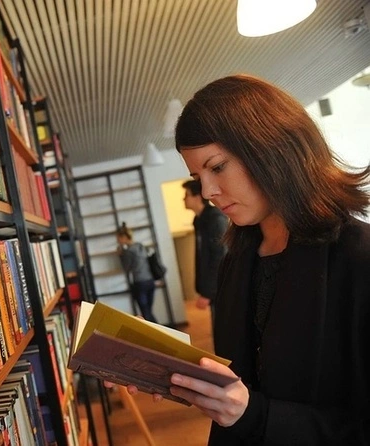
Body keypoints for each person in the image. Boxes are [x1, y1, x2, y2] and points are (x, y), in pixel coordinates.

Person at [109, 74, 370, 445]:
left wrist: (255, 415)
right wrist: (166, 364)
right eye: (197, 176)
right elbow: (245, 378)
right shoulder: (239, 259)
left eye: (217, 167)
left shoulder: (358, 258)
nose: (208, 191)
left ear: (272, 149)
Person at [182, 179, 228, 332]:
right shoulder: (198, 220)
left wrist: (208, 292)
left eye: (186, 195)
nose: (183, 199)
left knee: (224, 328)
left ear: (197, 197)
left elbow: (219, 257)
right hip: (215, 287)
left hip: (222, 286)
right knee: (218, 328)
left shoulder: (215, 219)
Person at [116, 222, 157, 323]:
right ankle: (159, 329)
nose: (118, 241)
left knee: (145, 313)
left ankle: (157, 330)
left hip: (140, 283)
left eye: (119, 238)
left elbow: (126, 268)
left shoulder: (128, 251)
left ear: (124, 237)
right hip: (150, 280)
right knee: (148, 311)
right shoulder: (140, 246)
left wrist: (120, 255)